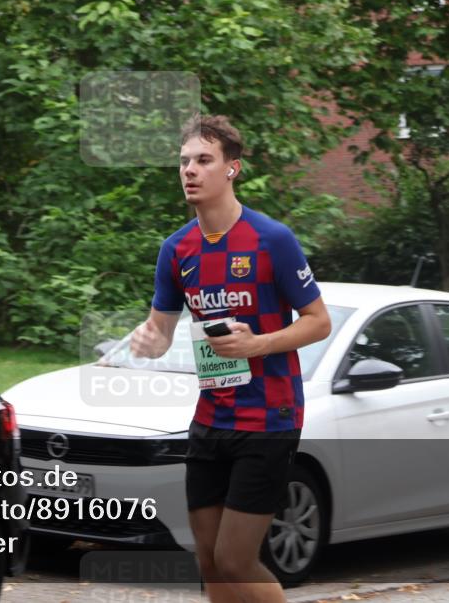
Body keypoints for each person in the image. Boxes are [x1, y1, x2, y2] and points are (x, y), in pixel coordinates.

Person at [130, 114, 331, 603]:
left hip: (269, 418)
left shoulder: (271, 240)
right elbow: (161, 332)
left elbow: (318, 321)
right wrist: (146, 340)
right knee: (210, 561)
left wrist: (258, 343)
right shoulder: (176, 249)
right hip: (211, 416)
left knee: (237, 560)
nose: (190, 171)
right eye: (184, 162)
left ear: (231, 169)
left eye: (203, 160)